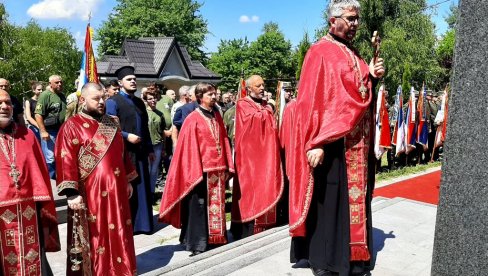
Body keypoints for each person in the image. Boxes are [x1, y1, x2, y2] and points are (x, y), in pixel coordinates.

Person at [286, 1, 385, 275]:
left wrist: (373, 78)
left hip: (355, 144)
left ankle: (352, 257)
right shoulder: (320, 52)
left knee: (352, 201)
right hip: (331, 145)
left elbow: (359, 95)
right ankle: (327, 261)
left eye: (357, 19)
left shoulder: (352, 53)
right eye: (351, 19)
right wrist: (315, 141)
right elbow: (312, 102)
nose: (355, 24)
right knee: (329, 203)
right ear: (333, 21)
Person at [55, 83, 137, 275]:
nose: (101, 102)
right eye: (96, 99)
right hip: (90, 194)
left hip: (117, 189)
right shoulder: (71, 126)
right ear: (83, 100)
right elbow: (65, 159)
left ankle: (121, 269)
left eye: (103, 98)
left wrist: (128, 179)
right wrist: (71, 193)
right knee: (96, 235)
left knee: (119, 231)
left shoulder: (112, 122)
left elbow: (122, 154)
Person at [159, 82, 234, 256]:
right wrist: (196, 170)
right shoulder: (192, 118)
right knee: (198, 207)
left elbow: (223, 140)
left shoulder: (217, 115)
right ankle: (198, 243)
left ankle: (216, 238)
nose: (214, 97)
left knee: (216, 207)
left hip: (217, 170)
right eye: (210, 94)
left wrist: (227, 163)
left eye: (214, 94)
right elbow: (188, 149)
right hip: (200, 172)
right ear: (200, 97)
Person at [0, 89, 60, 275]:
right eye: (0, 103)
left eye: (8, 102)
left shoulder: (27, 136)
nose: (4, 106)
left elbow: (40, 172)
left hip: (29, 212)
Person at [231, 75, 283, 239]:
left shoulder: (265, 104)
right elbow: (250, 123)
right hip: (249, 157)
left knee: (265, 184)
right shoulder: (243, 104)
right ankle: (248, 226)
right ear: (249, 88)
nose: (262, 88)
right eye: (258, 85)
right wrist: (268, 112)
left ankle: (267, 222)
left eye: (263, 85)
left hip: (265, 154)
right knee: (250, 191)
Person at [106, 66, 155, 234]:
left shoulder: (140, 102)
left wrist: (150, 149)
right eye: (129, 79)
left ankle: (144, 224)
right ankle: (130, 225)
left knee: (142, 186)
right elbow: (109, 126)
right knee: (130, 189)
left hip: (140, 151)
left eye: (134, 79)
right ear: (120, 83)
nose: (133, 81)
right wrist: (126, 136)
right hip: (124, 153)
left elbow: (146, 128)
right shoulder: (112, 102)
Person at [35, 75, 67, 180]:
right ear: (50, 84)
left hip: (61, 130)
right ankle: (50, 181)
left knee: (61, 156)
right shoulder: (45, 95)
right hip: (50, 131)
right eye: (57, 82)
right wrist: (43, 131)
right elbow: (38, 114)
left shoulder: (62, 96)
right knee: (50, 158)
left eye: (61, 82)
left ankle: (59, 179)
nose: (60, 84)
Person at [143, 90, 166, 201]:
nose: (153, 100)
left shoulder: (160, 114)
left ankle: (151, 192)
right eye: (150, 99)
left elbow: (163, 132)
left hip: (157, 145)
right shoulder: (143, 113)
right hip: (146, 146)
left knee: (154, 170)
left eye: (154, 98)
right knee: (146, 169)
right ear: (146, 100)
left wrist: (163, 147)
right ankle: (145, 192)